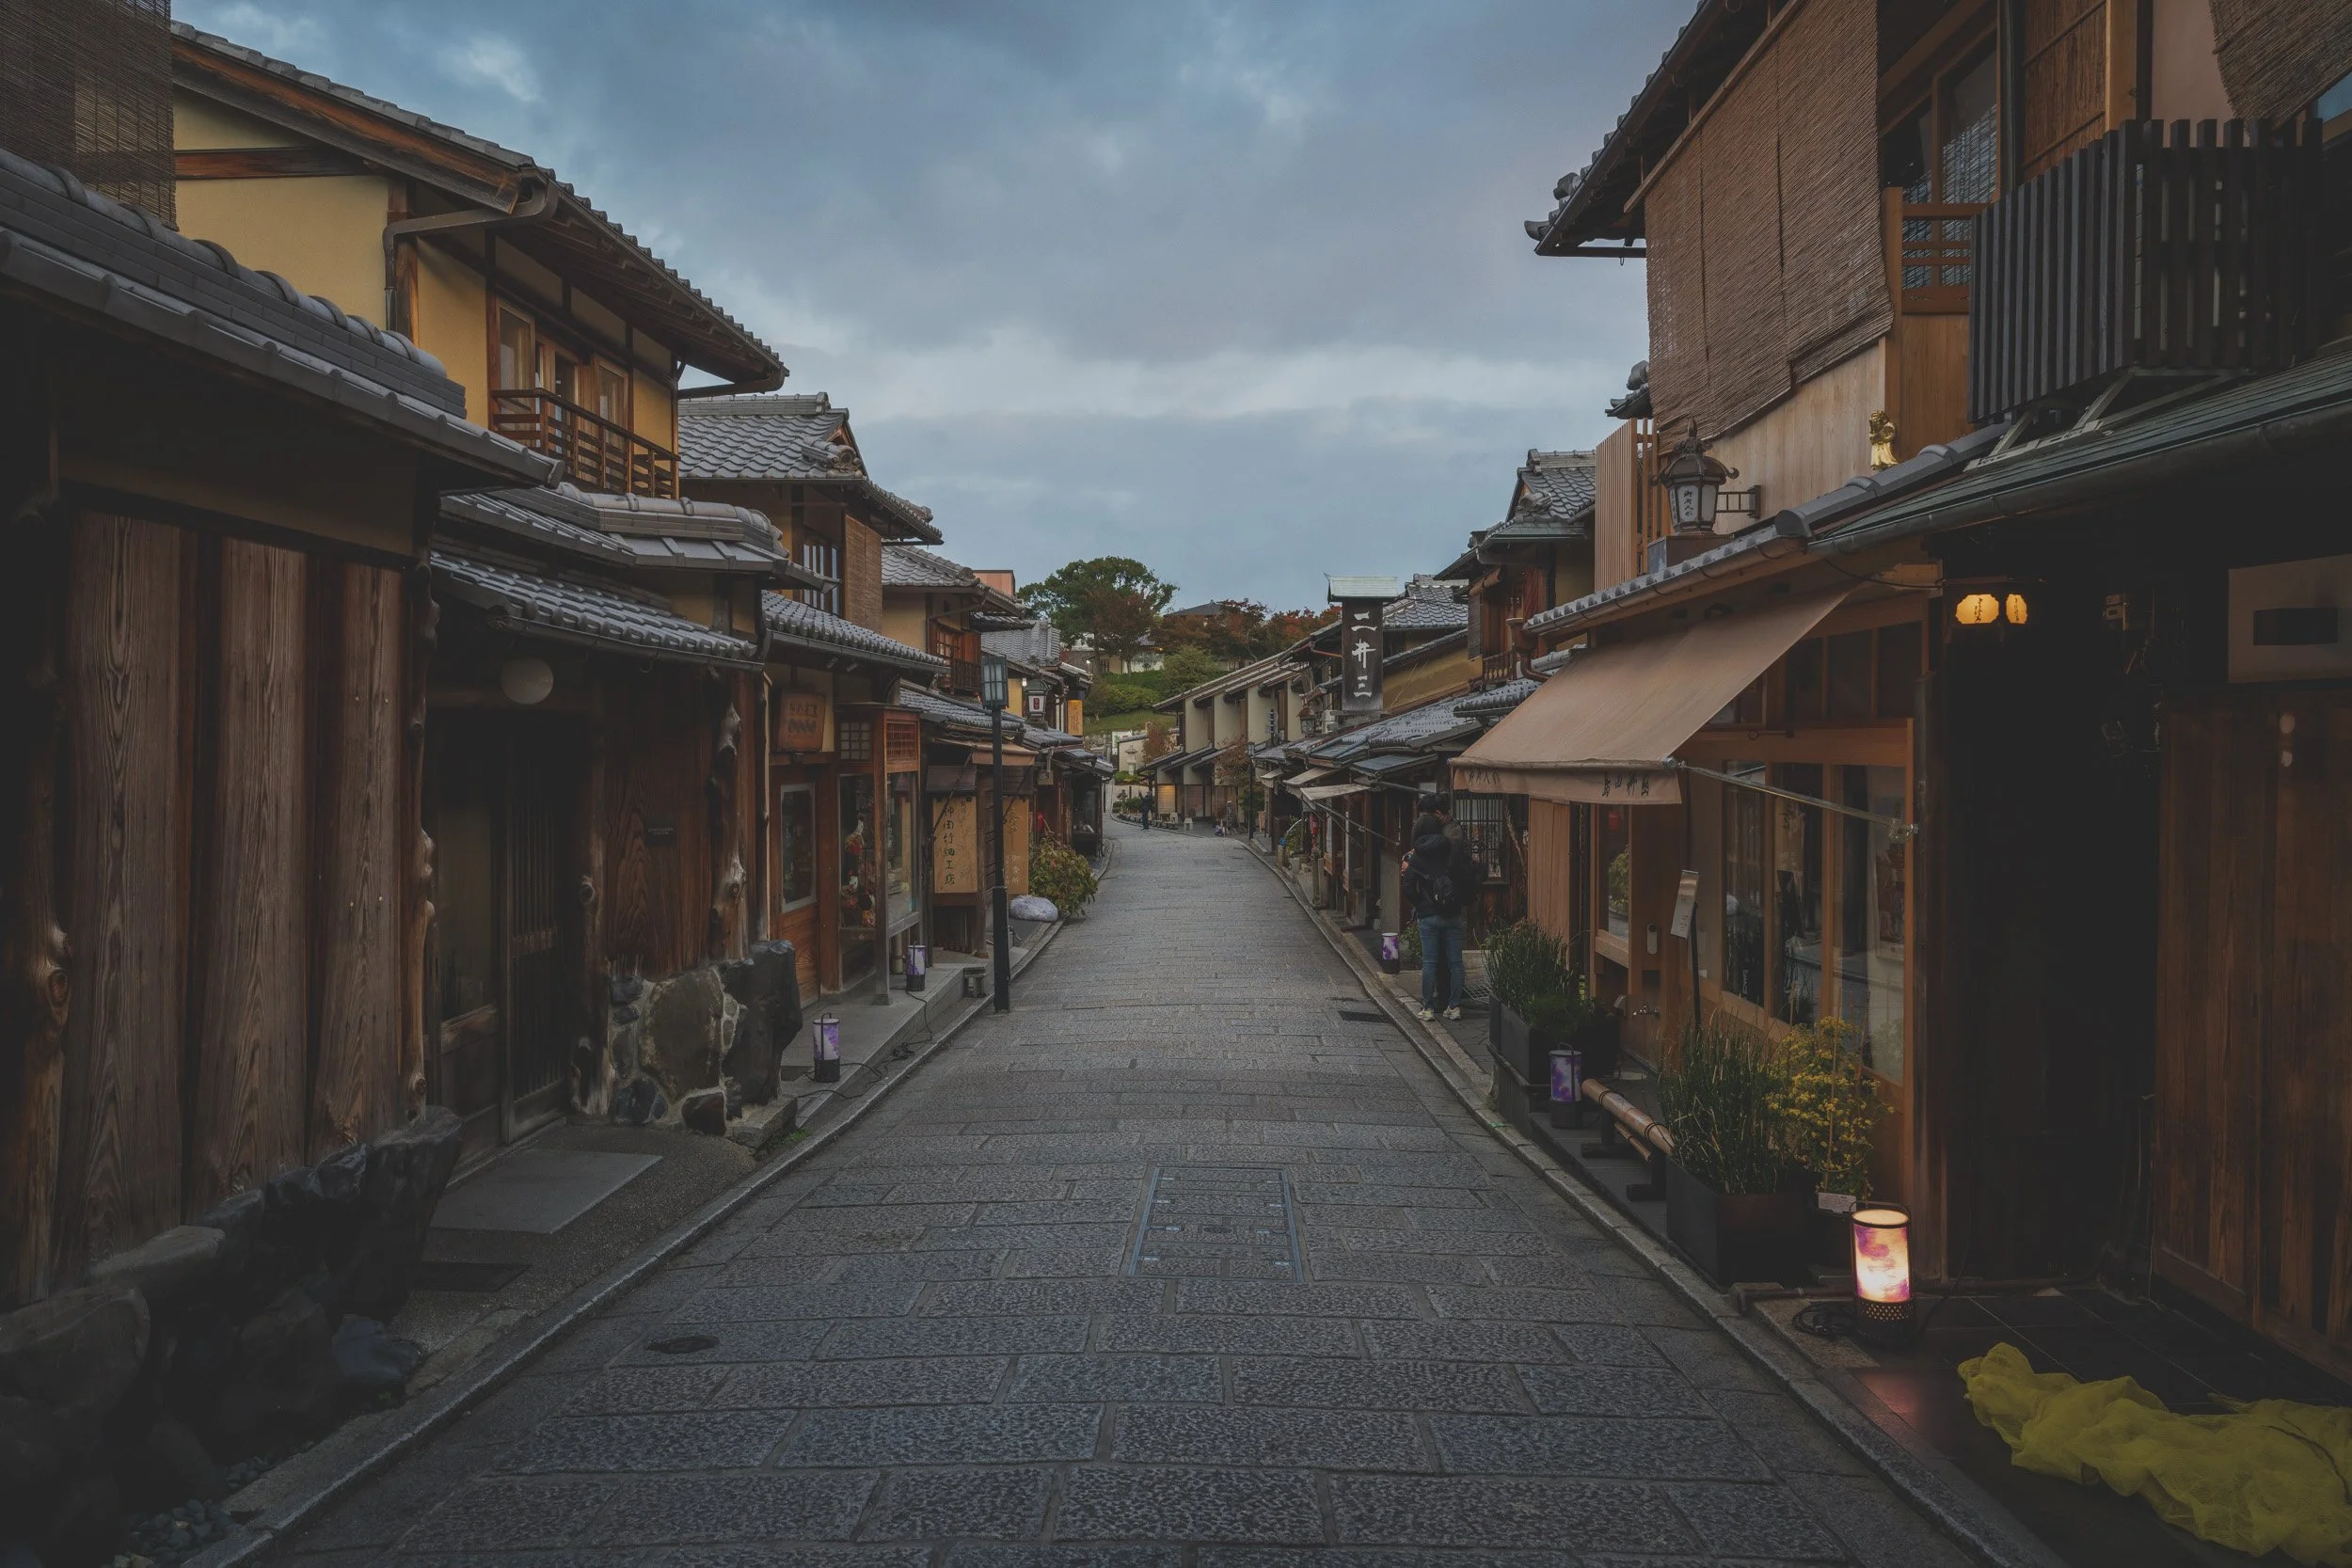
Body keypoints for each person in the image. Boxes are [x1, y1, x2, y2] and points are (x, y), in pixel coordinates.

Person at [1403, 801, 1473, 1022]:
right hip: (1452, 914)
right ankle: (1454, 1007)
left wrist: (1420, 904)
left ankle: (1428, 1008)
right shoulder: (1452, 851)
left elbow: (1408, 886)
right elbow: (1464, 879)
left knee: (1430, 963)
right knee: (1456, 963)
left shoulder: (1417, 857)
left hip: (1428, 916)